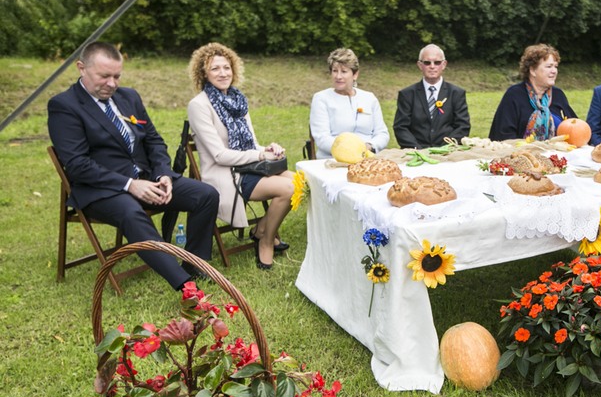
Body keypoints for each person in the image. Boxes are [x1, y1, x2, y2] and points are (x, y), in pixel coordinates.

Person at [48, 42, 218, 291]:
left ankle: (194, 266)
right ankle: (186, 286)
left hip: (147, 178)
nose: (112, 83)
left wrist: (162, 174)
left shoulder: (129, 97)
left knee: (205, 195)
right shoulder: (64, 106)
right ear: (81, 68)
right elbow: (77, 165)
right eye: (104, 76)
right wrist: (129, 185)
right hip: (103, 190)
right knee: (130, 212)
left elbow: (154, 141)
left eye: (117, 76)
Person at [186, 42, 295, 271]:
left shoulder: (238, 100)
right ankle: (265, 241)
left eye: (226, 67)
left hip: (248, 166)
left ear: (234, 69)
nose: (223, 73)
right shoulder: (199, 105)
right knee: (289, 189)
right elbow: (219, 155)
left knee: (301, 183)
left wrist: (269, 149)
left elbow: (252, 144)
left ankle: (261, 229)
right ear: (204, 73)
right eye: (215, 68)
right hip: (226, 174)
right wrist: (258, 153)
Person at [309, 48, 390, 158]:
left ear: (355, 74)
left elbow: (382, 134)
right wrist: (350, 151)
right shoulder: (321, 99)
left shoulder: (369, 98)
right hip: (333, 160)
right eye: (334, 71)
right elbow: (322, 138)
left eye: (344, 71)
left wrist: (369, 146)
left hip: (368, 158)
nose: (338, 76)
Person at [488, 43, 577, 142]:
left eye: (555, 66)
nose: (554, 71)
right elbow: (503, 135)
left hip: (557, 154)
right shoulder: (514, 95)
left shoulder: (558, 94)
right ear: (533, 70)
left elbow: (575, 127)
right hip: (521, 154)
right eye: (549, 66)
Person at [393, 44, 471, 149]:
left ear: (444, 64)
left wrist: (444, 149)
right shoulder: (407, 94)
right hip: (415, 153)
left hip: (449, 152)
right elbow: (401, 127)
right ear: (420, 65)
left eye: (437, 62)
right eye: (427, 62)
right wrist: (418, 150)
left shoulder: (456, 93)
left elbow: (463, 126)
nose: (432, 66)